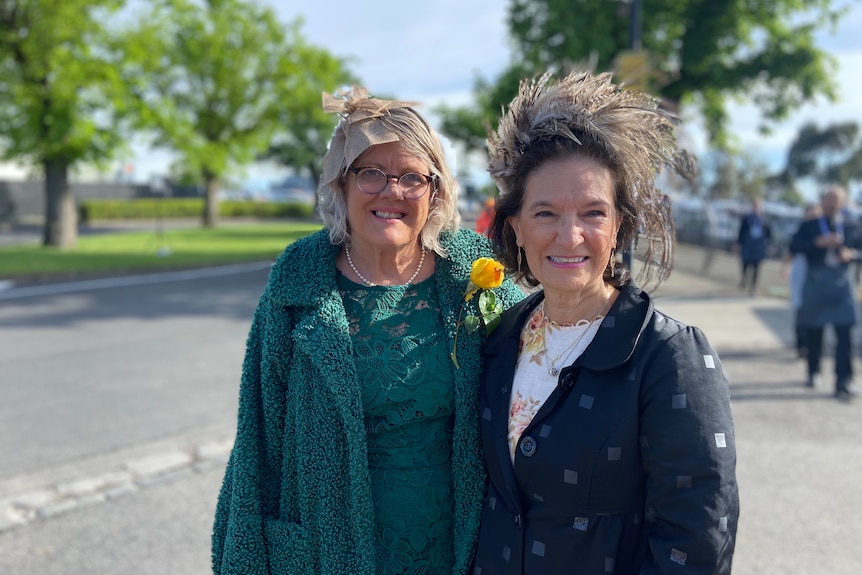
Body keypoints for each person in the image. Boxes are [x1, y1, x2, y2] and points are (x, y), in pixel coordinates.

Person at [211, 86, 525, 575]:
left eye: (411, 177)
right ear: (341, 184)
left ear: (435, 191)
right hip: (327, 550)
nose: (391, 191)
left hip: (461, 545)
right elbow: (259, 437)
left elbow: (542, 379)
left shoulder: (475, 274)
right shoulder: (297, 282)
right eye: (371, 173)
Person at [472, 71, 739, 574]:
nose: (569, 236)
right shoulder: (501, 339)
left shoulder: (668, 356)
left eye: (593, 213)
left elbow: (697, 542)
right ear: (516, 227)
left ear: (619, 228)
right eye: (546, 213)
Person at [790, 186, 861, 399]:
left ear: (843, 203)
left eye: (837, 200)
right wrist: (816, 243)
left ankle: (843, 380)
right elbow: (794, 246)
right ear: (823, 201)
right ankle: (813, 371)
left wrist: (852, 254)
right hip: (816, 283)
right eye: (829, 199)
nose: (833, 203)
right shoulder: (809, 226)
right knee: (814, 331)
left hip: (841, 284)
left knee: (844, 334)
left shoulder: (850, 226)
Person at [782, 203, 821, 358]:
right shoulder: (800, 231)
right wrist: (784, 267)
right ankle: (801, 344)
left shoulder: (823, 230)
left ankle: (813, 344)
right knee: (800, 308)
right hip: (800, 272)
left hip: (817, 274)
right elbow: (792, 250)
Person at [735, 197, 772, 295]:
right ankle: (744, 279)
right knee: (745, 264)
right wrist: (739, 243)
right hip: (748, 245)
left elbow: (769, 233)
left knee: (757, 267)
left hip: (758, 247)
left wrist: (771, 244)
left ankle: (753, 287)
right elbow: (741, 232)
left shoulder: (764, 219)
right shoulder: (747, 219)